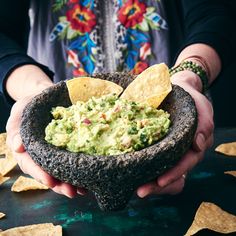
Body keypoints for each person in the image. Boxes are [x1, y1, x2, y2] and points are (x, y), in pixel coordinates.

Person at [0, 0, 235, 198]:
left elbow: (215, 12)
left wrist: (189, 77)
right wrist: (36, 90)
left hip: (166, 94)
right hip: (54, 85)